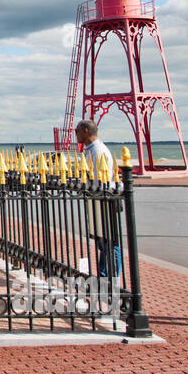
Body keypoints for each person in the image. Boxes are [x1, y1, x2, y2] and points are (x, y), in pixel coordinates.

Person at [74, 119, 120, 287]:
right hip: (96, 199)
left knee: (110, 243)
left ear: (86, 130)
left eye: (77, 131)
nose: (75, 134)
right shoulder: (90, 150)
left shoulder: (98, 151)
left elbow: (102, 179)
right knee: (102, 242)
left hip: (104, 199)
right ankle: (103, 276)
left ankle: (113, 280)